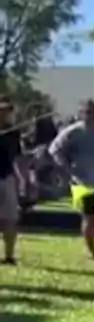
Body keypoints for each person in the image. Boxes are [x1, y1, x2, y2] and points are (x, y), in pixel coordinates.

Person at [48, 99, 94, 261]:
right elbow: (54, 150)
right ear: (80, 113)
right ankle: (91, 252)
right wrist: (68, 169)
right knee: (88, 217)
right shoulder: (73, 132)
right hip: (83, 182)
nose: (90, 115)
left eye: (93, 111)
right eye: (87, 112)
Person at [0, 98, 26, 265]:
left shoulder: (13, 133)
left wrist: (22, 178)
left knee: (9, 218)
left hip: (6, 177)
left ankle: (9, 256)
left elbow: (16, 158)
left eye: (7, 110)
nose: (5, 113)